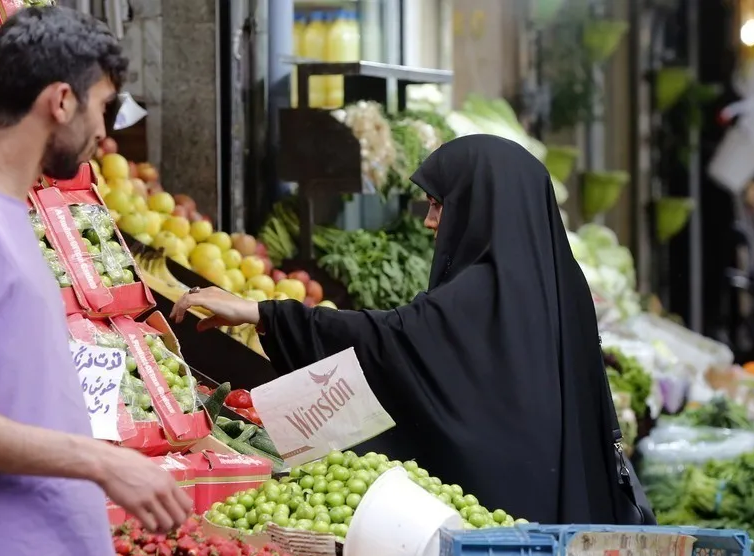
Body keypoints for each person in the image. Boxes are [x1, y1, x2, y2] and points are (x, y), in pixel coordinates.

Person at [171, 134, 643, 525]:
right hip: (566, 507)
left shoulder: (480, 292)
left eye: (440, 205)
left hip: (500, 522)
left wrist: (264, 315)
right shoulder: (562, 281)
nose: (430, 222)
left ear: (481, 205)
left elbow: (393, 340)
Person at [0, 7, 191, 556]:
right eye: (102, 105)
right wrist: (101, 461)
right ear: (61, 100)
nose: (104, 132)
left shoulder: (10, 217)